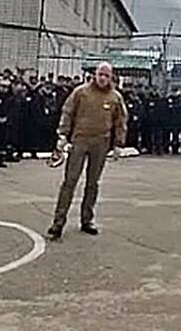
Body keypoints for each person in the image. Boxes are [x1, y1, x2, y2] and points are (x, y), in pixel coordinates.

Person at [47, 62, 128, 240]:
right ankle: (58, 222)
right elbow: (67, 112)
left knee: (93, 183)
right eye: (100, 74)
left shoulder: (115, 97)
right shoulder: (81, 92)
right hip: (80, 141)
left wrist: (118, 145)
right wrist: (62, 135)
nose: (103, 78)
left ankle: (87, 220)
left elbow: (120, 122)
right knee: (70, 181)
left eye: (106, 76)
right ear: (95, 74)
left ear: (111, 77)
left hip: (101, 144)